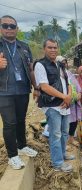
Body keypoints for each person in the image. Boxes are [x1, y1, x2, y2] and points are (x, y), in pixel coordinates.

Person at [0, 15, 38, 170]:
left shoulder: (24, 46)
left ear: (17, 28)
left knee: (21, 120)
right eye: (5, 26)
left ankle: (22, 146)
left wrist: (36, 87)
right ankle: (12, 156)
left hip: (22, 90)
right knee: (10, 124)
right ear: (1, 28)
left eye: (12, 26)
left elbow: (30, 69)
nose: (9, 29)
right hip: (4, 92)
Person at [34, 39, 74, 172]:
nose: (53, 50)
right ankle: (57, 163)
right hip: (52, 105)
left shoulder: (60, 65)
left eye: (55, 47)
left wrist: (68, 96)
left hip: (64, 104)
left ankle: (62, 155)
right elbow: (44, 87)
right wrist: (64, 97)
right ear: (44, 49)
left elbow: (68, 83)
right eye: (50, 47)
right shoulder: (40, 65)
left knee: (64, 133)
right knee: (55, 134)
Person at [56, 56, 82, 148]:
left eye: (65, 62)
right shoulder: (56, 74)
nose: (64, 64)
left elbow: (76, 84)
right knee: (64, 122)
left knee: (74, 121)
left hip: (73, 102)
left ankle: (71, 138)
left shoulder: (69, 73)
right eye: (62, 62)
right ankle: (64, 142)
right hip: (63, 102)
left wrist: (79, 93)